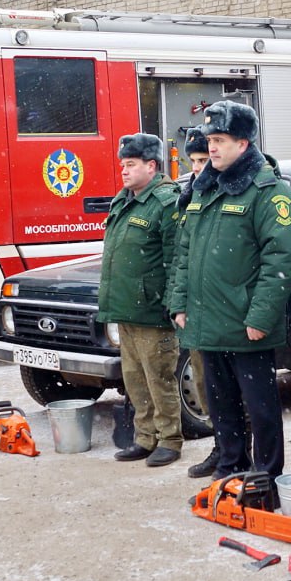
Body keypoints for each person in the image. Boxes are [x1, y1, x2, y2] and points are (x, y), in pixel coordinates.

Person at [169, 101, 291, 487]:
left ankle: (265, 475)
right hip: (207, 322)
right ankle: (230, 467)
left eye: (220, 140)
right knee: (221, 406)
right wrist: (178, 302)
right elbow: (185, 251)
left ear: (243, 143)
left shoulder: (267, 191)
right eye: (210, 140)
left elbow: (281, 258)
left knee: (260, 409)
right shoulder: (203, 189)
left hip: (246, 325)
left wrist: (260, 316)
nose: (212, 148)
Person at [98, 133, 182, 467]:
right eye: (123, 164)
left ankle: (170, 440)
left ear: (151, 165)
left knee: (159, 378)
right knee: (134, 380)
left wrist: (173, 303)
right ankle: (145, 438)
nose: (124, 170)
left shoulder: (165, 202)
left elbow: (176, 258)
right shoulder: (124, 200)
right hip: (126, 309)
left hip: (152, 310)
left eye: (131, 164)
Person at [175, 128, 220, 478]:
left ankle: (237, 453)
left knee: (232, 393)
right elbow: (182, 254)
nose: (198, 168)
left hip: (222, 311)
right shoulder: (189, 195)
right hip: (195, 311)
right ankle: (221, 448)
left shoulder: (218, 192)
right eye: (193, 161)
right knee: (205, 388)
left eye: (204, 160)